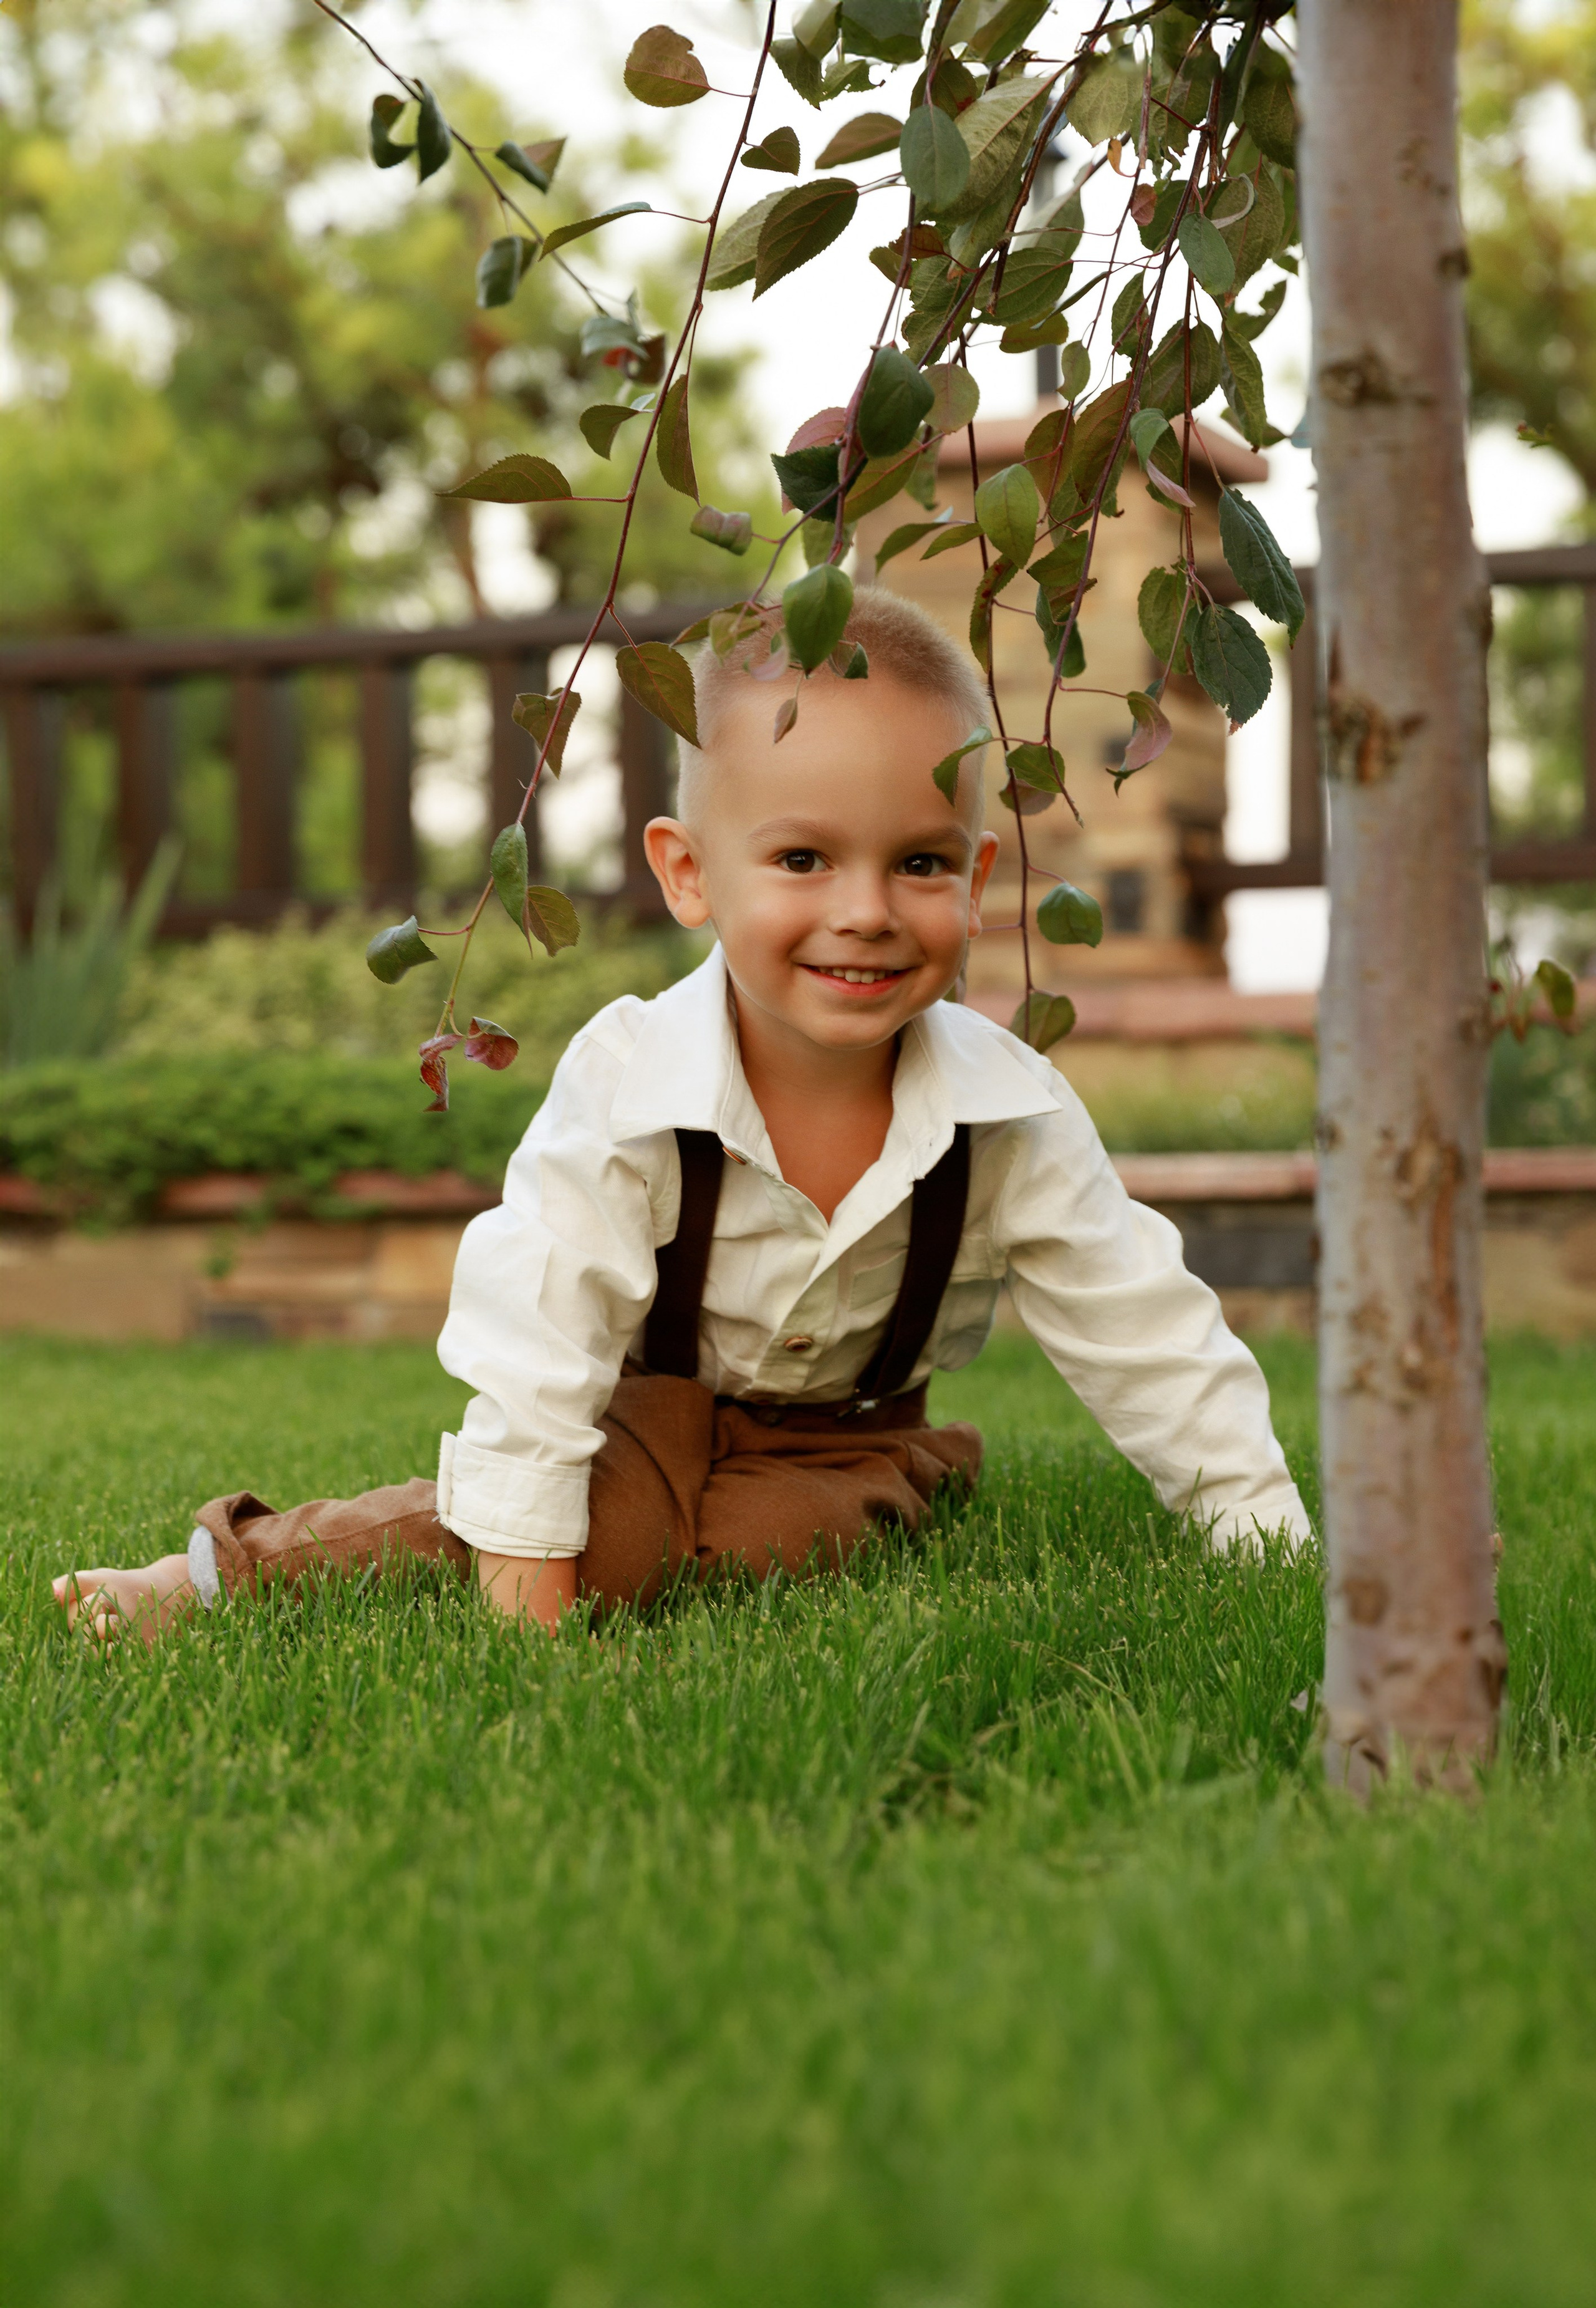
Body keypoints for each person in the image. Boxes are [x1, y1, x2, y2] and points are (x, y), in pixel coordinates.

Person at [55, 589, 1311, 1644]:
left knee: (765, 1546)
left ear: (977, 880)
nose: (866, 911)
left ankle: (790, 1509)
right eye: (803, 859)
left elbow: (1147, 1336)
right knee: (581, 1531)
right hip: (635, 1415)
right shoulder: (631, 1082)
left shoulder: (1010, 1112)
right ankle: (226, 1573)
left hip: (845, 1445)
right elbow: (540, 1337)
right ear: (688, 872)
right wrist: (531, 1608)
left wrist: (1266, 1542)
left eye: (920, 862)